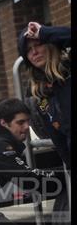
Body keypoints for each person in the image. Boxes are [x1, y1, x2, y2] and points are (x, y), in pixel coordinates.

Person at [17, 21, 70, 169]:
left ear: (50, 44)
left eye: (38, 44)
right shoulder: (39, 91)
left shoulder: (69, 69)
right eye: (28, 50)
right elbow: (55, 134)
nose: (34, 52)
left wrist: (45, 33)